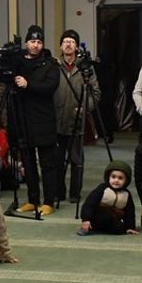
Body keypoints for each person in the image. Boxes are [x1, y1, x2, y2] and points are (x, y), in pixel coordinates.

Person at [0, 25, 61, 215]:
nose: (35, 45)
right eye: (32, 41)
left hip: (43, 119)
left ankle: (48, 201)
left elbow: (50, 86)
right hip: (21, 118)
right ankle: (32, 199)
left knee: (47, 163)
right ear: (27, 42)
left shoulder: (50, 64)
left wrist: (28, 84)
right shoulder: (17, 61)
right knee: (28, 163)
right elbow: (0, 77)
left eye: (39, 42)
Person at [52, 29, 101, 204]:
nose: (68, 44)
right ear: (60, 45)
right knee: (57, 161)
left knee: (76, 161)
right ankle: (58, 192)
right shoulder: (54, 66)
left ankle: (75, 193)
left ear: (77, 46)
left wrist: (85, 107)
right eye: (65, 41)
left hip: (77, 122)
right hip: (57, 120)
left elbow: (95, 93)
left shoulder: (85, 67)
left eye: (72, 42)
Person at [78, 161, 138, 236]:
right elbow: (89, 204)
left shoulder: (126, 194)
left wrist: (130, 227)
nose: (116, 180)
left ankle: (104, 228)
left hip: (113, 219)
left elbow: (130, 211)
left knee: (119, 228)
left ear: (126, 181)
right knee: (105, 216)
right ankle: (89, 226)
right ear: (108, 177)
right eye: (113, 177)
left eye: (120, 178)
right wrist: (86, 219)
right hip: (98, 216)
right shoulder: (102, 189)